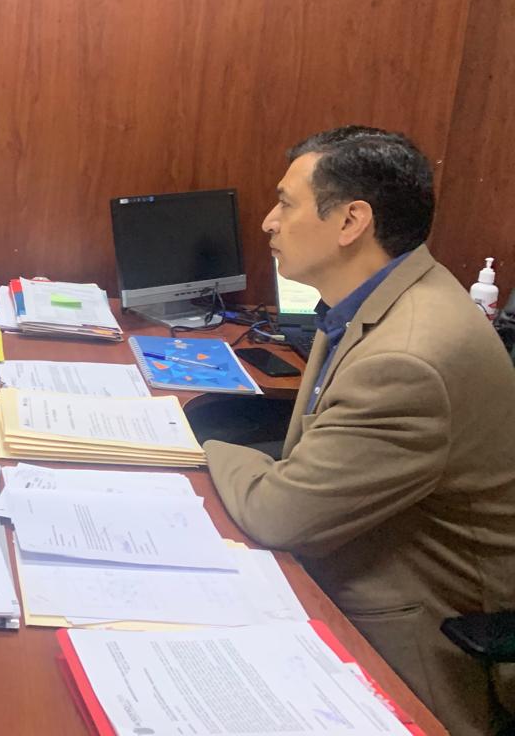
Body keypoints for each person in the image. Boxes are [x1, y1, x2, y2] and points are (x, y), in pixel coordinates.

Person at [204, 126, 515, 736]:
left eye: (286, 204)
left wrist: (198, 446)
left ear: (351, 222)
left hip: (417, 636)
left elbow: (278, 515)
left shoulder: (408, 358)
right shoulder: (382, 297)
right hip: (355, 551)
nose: (268, 222)